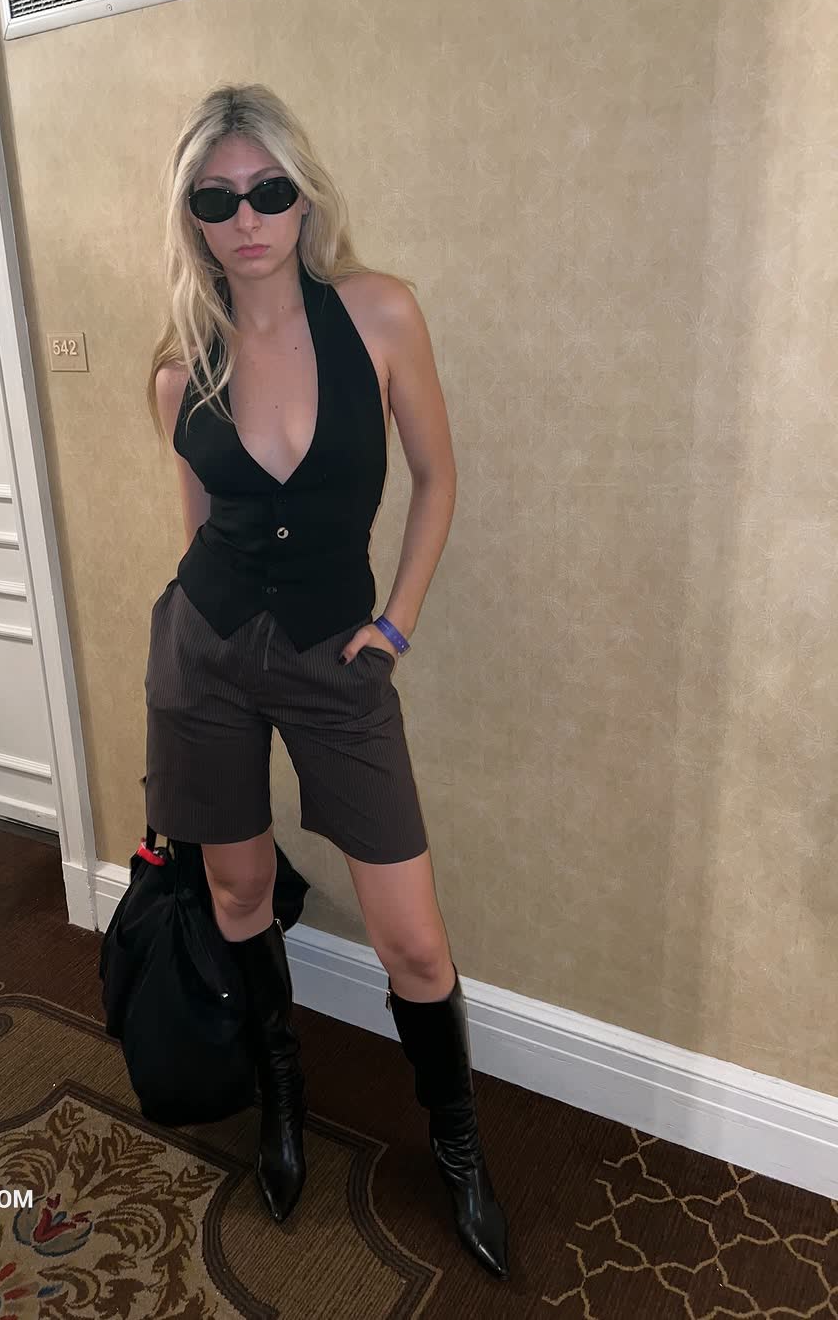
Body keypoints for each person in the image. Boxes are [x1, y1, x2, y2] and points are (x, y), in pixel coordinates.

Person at [143, 83, 509, 1281]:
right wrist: (201, 644)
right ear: (193, 217)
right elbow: (197, 526)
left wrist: (396, 623)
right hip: (206, 650)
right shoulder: (179, 367)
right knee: (236, 887)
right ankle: (283, 1093)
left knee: (415, 941)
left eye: (268, 191)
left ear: (303, 196)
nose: (246, 217)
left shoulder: (379, 314)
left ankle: (458, 1144)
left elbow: (437, 477)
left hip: (337, 655)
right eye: (216, 199)